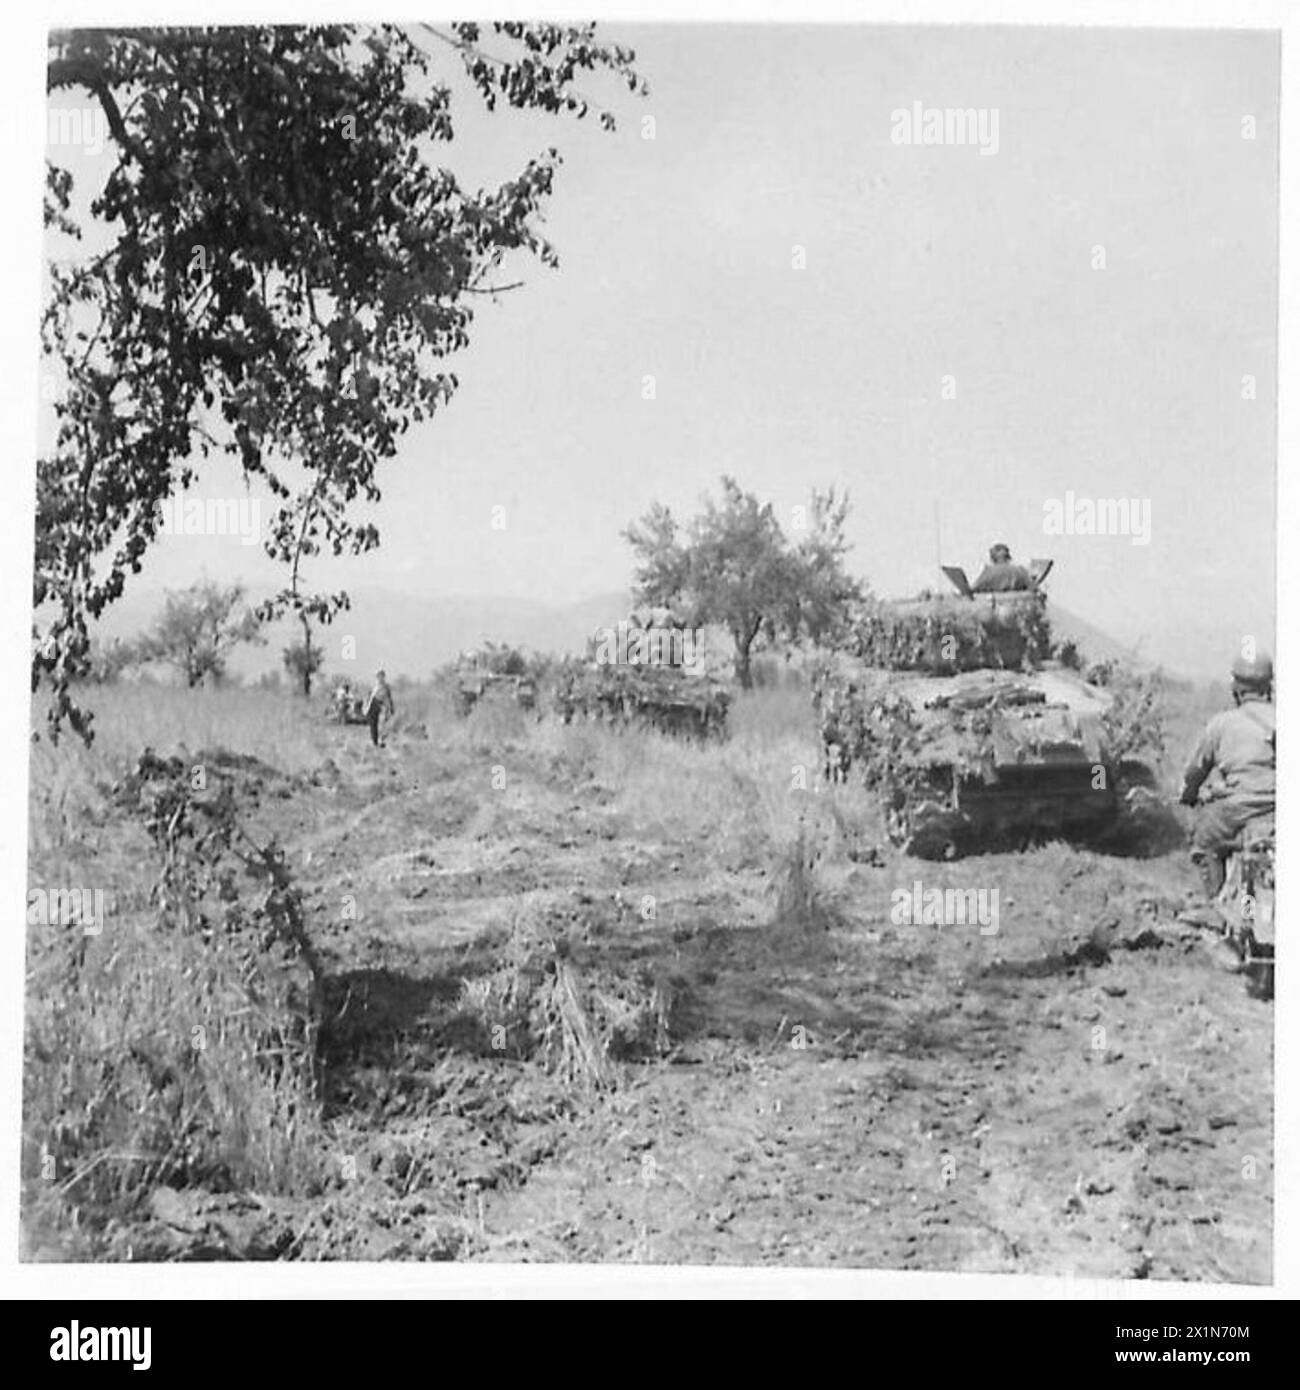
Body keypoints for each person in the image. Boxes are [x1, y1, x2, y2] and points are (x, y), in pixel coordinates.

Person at [1180, 652, 1275, 903]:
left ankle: (1216, 905)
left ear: (1236, 687)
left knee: (1204, 843)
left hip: (1239, 808)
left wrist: (1188, 794)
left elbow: (1195, 771)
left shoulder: (1222, 723)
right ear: (1269, 685)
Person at [970, 543, 1034, 594]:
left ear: (993, 557)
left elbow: (973, 589)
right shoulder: (1020, 571)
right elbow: (1034, 588)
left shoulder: (988, 572)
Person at [365, 669, 395, 747]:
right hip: (373, 705)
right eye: (378, 675)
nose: (380, 677)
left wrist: (391, 707)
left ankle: (380, 740)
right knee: (373, 724)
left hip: (382, 705)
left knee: (382, 724)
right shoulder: (374, 686)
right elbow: (369, 697)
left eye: (382, 675)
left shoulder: (386, 686)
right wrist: (366, 707)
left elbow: (389, 697)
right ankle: (374, 741)